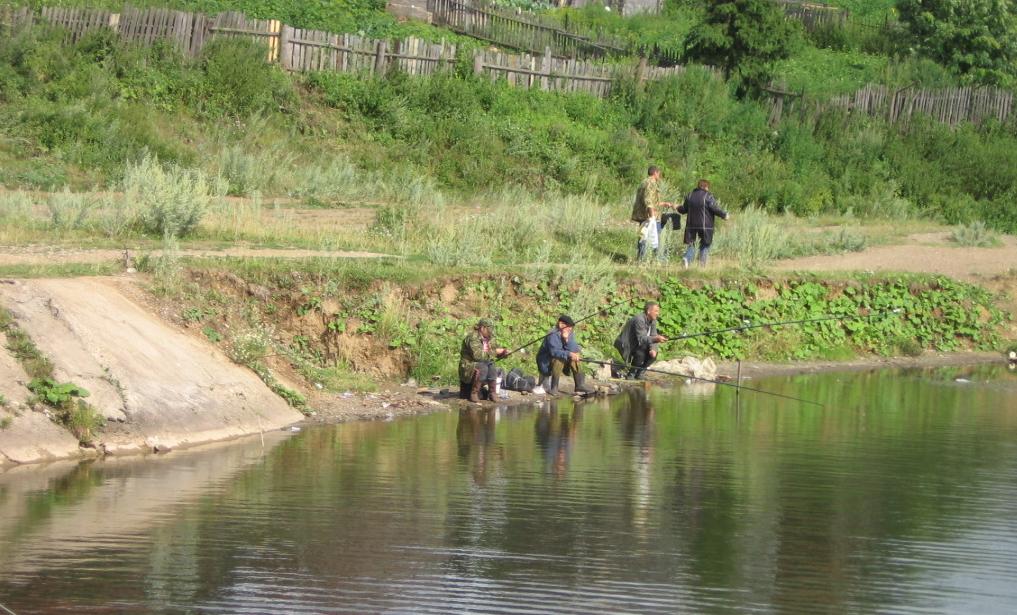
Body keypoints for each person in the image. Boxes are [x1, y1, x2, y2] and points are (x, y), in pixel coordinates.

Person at [534, 314, 595, 396]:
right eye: (568, 326)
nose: (570, 329)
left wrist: (566, 340)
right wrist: (569, 353)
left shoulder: (569, 333)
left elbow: (574, 349)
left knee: (574, 357)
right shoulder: (552, 334)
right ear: (561, 324)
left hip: (561, 360)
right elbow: (554, 352)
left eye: (571, 327)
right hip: (546, 362)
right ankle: (554, 388)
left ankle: (579, 385)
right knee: (560, 358)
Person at [677, 179, 730, 268]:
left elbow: (684, 209)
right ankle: (702, 266)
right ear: (706, 187)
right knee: (705, 245)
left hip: (691, 226)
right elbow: (715, 208)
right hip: (706, 226)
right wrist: (724, 215)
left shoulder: (689, 195)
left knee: (692, 244)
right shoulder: (708, 196)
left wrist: (678, 207)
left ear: (698, 186)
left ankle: (687, 259)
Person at [613, 301, 668, 380]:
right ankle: (631, 373)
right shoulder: (639, 319)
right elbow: (642, 338)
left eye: (658, 311)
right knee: (641, 351)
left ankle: (640, 373)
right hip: (626, 344)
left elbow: (653, 335)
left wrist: (653, 349)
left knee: (653, 354)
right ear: (648, 311)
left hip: (638, 344)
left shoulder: (653, 321)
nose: (657, 313)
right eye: (656, 311)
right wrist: (656, 339)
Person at [459, 318, 508, 403]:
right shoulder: (472, 338)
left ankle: (492, 393)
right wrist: (494, 352)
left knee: (492, 366)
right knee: (483, 367)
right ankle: (474, 393)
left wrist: (503, 353)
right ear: (482, 328)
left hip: (482, 364)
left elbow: (493, 353)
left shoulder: (489, 338)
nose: (491, 332)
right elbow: (477, 356)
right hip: (468, 366)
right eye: (489, 329)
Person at [631, 165, 673, 262]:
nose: (659, 175)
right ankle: (653, 260)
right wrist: (652, 217)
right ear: (655, 173)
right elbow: (648, 201)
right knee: (654, 238)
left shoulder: (644, 182)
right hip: (650, 216)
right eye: (659, 173)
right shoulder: (651, 183)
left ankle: (641, 259)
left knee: (643, 236)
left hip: (642, 215)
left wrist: (664, 203)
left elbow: (650, 200)